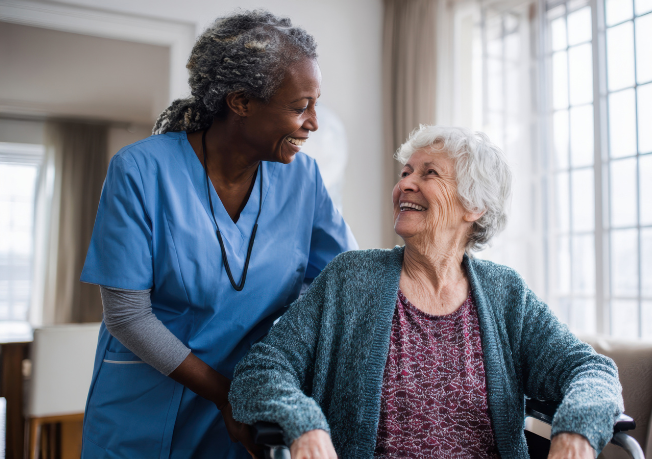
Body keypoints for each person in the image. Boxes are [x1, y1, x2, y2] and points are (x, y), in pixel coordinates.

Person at [229, 125, 623, 459]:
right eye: (405, 171)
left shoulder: (506, 294)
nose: (405, 184)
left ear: (474, 206)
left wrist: (577, 429)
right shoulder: (350, 279)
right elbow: (260, 370)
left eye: (429, 173)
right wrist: (305, 425)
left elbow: (590, 370)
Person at [79, 10, 356, 458]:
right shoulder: (140, 170)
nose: (313, 123)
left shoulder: (303, 180)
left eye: (316, 104)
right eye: (299, 106)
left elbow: (344, 283)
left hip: (242, 410)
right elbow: (127, 315)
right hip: (142, 407)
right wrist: (224, 394)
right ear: (241, 102)